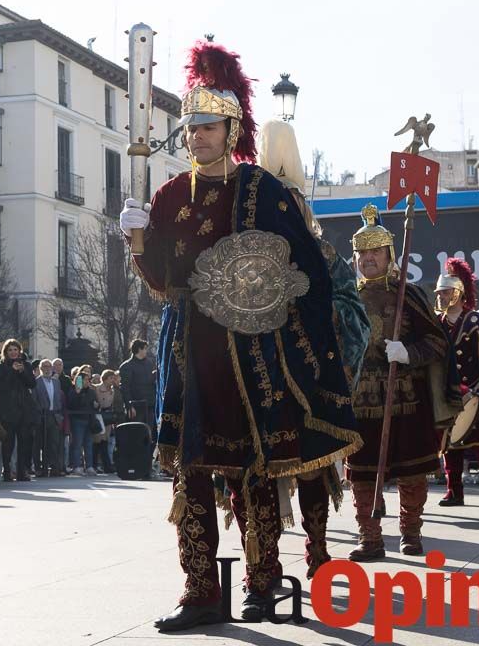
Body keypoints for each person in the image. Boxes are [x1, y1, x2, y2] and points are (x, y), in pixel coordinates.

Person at [119, 39, 361, 631]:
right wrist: (139, 241)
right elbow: (164, 283)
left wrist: (286, 318)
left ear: (231, 128)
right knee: (193, 471)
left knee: (255, 469)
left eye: (207, 126)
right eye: (191, 126)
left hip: (255, 352)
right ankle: (200, 591)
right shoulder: (170, 197)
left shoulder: (262, 191)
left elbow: (305, 270)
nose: (196, 135)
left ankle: (261, 583)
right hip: (190, 351)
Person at [257, 114, 370, 579]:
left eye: (293, 202)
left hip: (312, 375)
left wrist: (323, 316)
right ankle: (260, 567)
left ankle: (318, 550)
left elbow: (355, 313)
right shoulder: (251, 257)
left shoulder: (325, 257)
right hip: (262, 376)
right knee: (261, 473)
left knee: (311, 467)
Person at [345, 204, 446, 560]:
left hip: (407, 396)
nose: (368, 258)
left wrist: (407, 352)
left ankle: (411, 532)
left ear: (389, 255)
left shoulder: (411, 293)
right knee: (360, 473)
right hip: (360, 400)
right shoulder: (346, 298)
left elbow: (437, 342)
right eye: (362, 252)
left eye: (375, 251)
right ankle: (369, 537)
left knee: (411, 470)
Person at [434, 257, 479, 507]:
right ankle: (454, 491)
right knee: (451, 444)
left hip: (475, 388)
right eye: (439, 292)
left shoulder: (475, 321)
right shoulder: (437, 323)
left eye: (445, 292)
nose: (441, 297)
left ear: (458, 293)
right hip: (450, 392)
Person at [0, 339, 36, 481]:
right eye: (10, 350)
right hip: (8, 409)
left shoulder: (26, 365)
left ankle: (21, 471)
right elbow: (3, 385)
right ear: (6, 352)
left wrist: (22, 372)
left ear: (20, 351)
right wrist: (13, 371)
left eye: (15, 350)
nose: (13, 352)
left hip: (24, 408)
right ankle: (6, 471)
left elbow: (32, 383)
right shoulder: (1, 366)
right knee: (8, 442)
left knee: (24, 442)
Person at [119, 340, 157, 443]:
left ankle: (148, 458)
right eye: (145, 348)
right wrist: (129, 406)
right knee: (136, 436)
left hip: (149, 404)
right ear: (139, 349)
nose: (146, 351)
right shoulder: (126, 366)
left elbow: (149, 381)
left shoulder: (149, 363)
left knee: (149, 435)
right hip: (136, 406)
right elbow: (125, 388)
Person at [33, 358, 65, 476]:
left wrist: (59, 414)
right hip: (42, 416)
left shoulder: (56, 382)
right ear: (40, 369)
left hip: (54, 415)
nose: (47, 369)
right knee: (39, 443)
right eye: (44, 367)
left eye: (49, 367)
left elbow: (58, 399)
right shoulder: (36, 382)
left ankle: (54, 467)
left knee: (54, 442)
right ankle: (39, 468)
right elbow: (34, 400)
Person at [65, 365, 97, 475]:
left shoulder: (91, 391)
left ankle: (89, 466)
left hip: (89, 420)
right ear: (79, 380)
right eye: (86, 380)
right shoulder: (73, 391)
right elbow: (71, 404)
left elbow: (94, 404)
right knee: (77, 444)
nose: (89, 381)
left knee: (88, 444)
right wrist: (77, 393)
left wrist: (96, 405)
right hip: (77, 420)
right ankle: (76, 466)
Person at [92, 368, 123, 475]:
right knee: (97, 442)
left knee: (105, 442)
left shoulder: (113, 390)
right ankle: (94, 465)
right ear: (104, 379)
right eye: (110, 378)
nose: (112, 380)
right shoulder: (96, 388)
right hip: (98, 417)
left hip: (108, 417)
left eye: (113, 378)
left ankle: (106, 466)